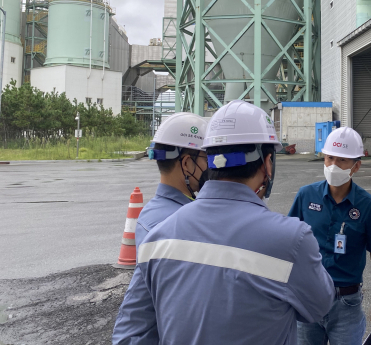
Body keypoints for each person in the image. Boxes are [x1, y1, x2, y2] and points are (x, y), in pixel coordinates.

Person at [113, 100, 335, 344]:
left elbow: (130, 332)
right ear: (268, 164)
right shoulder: (292, 239)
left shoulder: (158, 235)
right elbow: (319, 307)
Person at [289, 127, 371, 344]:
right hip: (308, 298)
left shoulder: (369, 206)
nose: (333, 165)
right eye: (329, 158)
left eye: (342, 160)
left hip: (347, 303)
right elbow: (288, 245)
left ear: (356, 166)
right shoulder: (306, 196)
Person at [136, 112, 209, 251]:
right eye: (206, 160)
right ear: (187, 164)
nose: (211, 167)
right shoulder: (189, 223)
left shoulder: (148, 214)